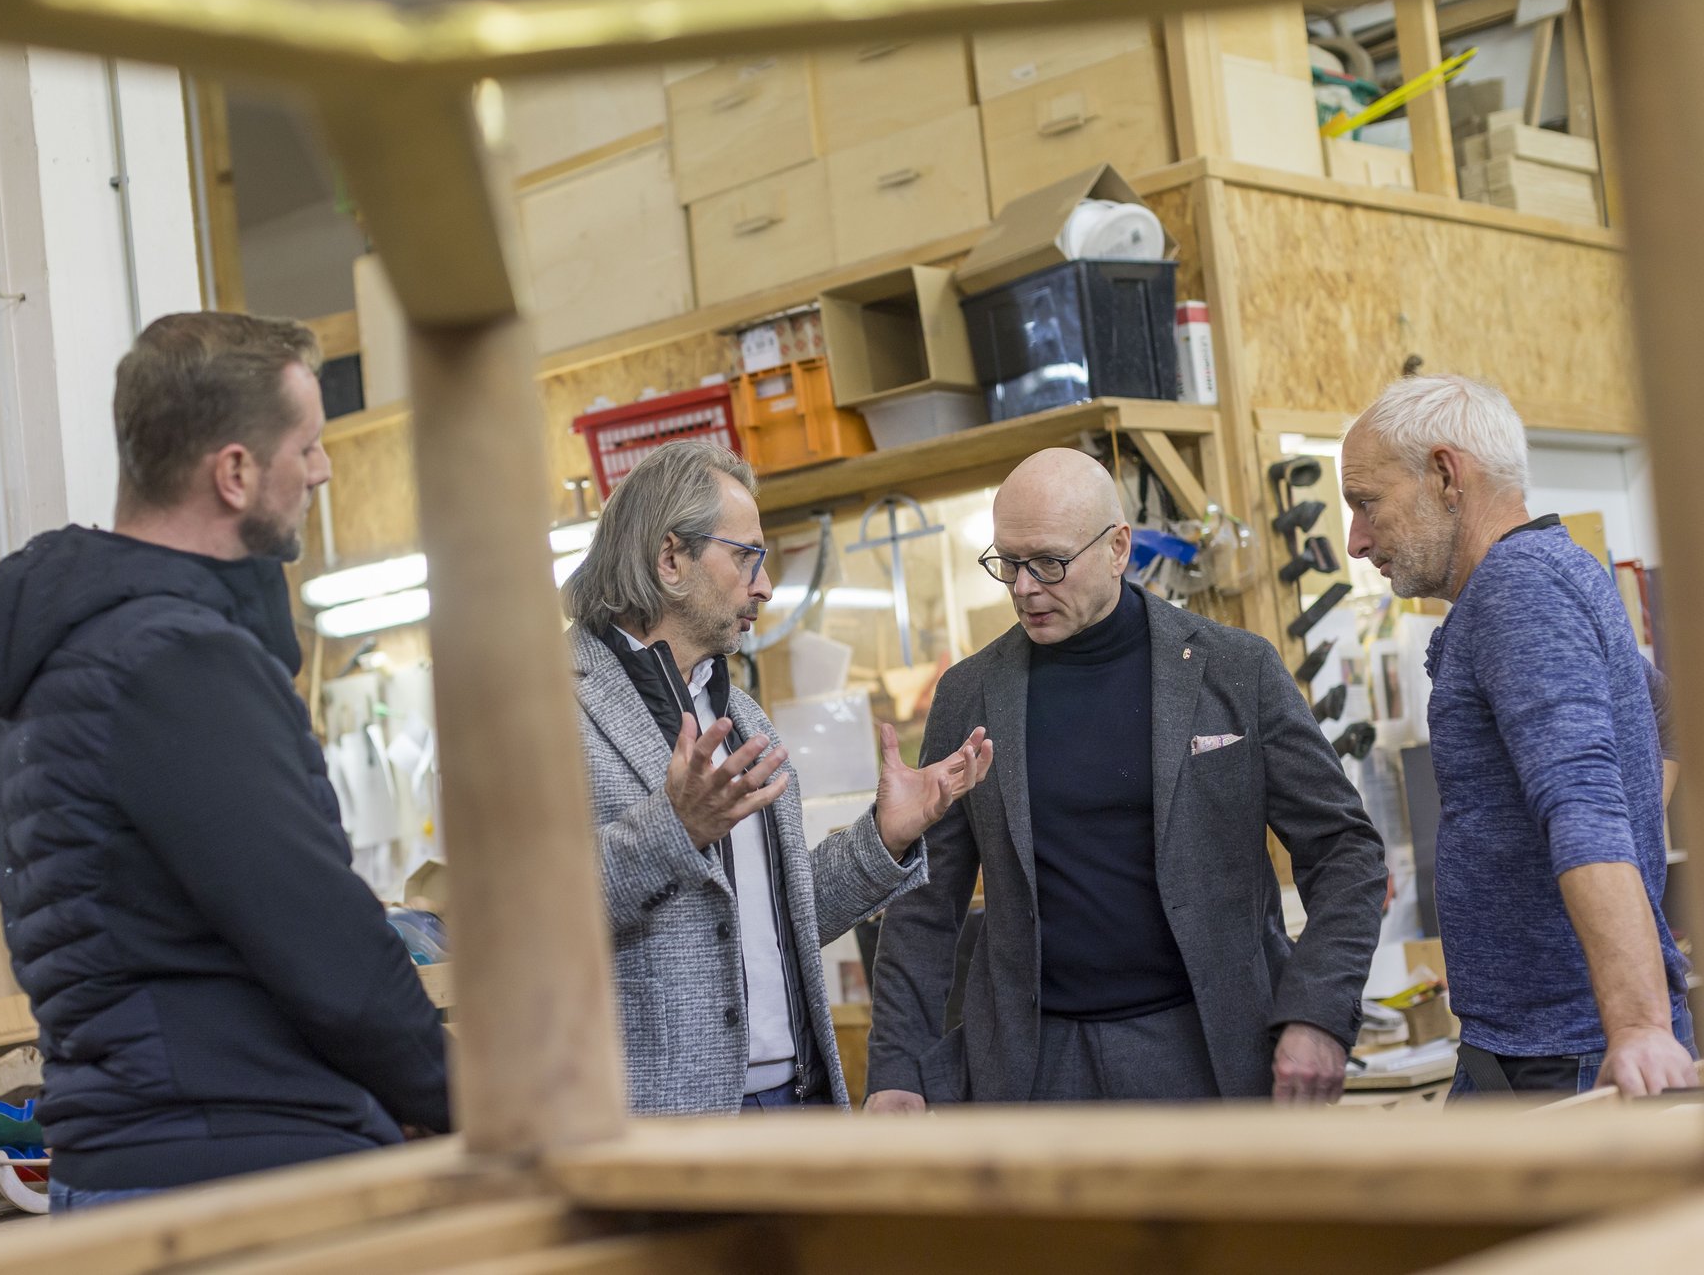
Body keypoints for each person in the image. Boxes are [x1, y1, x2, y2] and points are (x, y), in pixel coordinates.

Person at [0, 312, 449, 1209]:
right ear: (234, 472)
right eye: (307, 445)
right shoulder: (172, 661)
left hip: (135, 1159)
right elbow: (327, 952)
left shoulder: (66, 655)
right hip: (226, 1176)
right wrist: (472, 1100)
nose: (323, 469)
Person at [866, 448, 1386, 1110]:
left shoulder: (1234, 672)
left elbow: (1346, 851)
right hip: (1035, 1072)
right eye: (1008, 563)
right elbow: (925, 904)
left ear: (1117, 548)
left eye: (1048, 563)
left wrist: (1317, 1013)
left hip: (1213, 1055)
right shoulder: (970, 695)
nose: (1024, 587)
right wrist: (895, 1068)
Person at [562, 440, 994, 1114]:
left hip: (799, 1099)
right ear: (670, 558)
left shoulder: (741, 715)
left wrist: (883, 837)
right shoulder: (549, 707)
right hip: (666, 1125)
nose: (763, 586)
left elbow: (778, 921)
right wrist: (673, 832)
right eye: (745, 557)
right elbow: (523, 918)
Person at [1341, 373, 1698, 1100]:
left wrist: (1635, 1025)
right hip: (1528, 1042)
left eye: (1366, 504)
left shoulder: (1518, 591)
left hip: (1569, 1054)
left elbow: (1583, 805)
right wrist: (1634, 827)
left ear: (1446, 474)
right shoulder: (1553, 571)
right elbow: (1667, 715)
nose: (1356, 541)